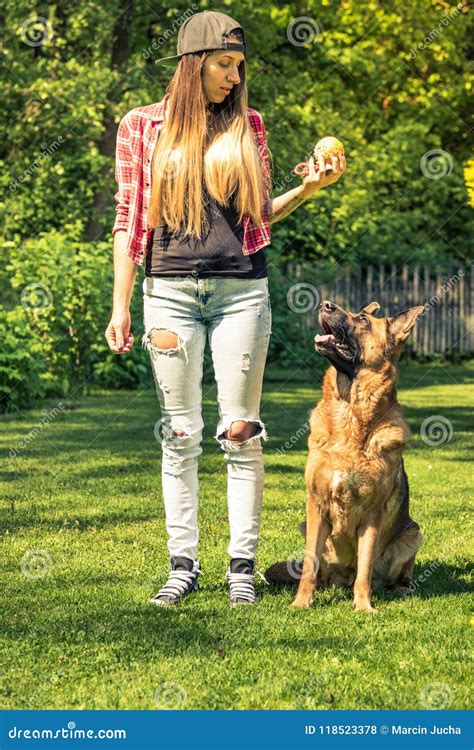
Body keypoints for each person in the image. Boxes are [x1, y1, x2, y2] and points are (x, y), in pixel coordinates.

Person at [105, 10, 346, 607]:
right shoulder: (142, 127)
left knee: (241, 432)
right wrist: (120, 306)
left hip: (242, 291)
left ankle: (242, 567)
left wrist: (311, 186)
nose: (236, 77)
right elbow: (128, 220)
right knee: (179, 432)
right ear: (194, 65)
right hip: (168, 293)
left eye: (240, 66)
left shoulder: (249, 127)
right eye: (225, 65)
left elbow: (259, 217)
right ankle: (182, 565)